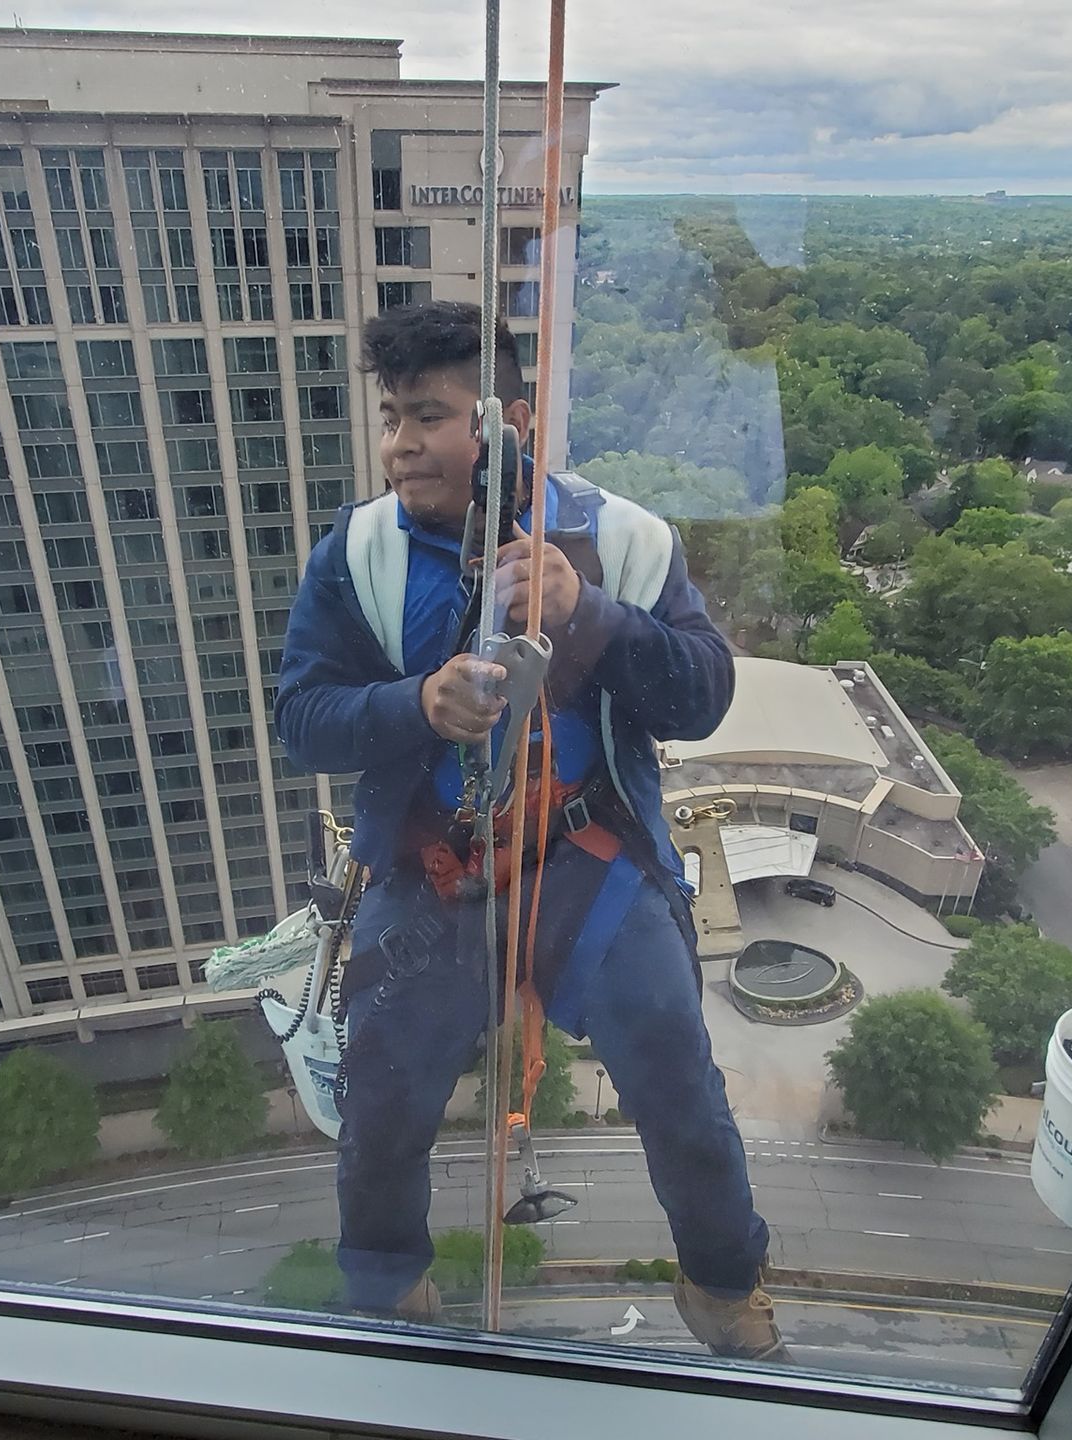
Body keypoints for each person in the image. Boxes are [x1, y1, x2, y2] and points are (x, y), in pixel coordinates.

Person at [275, 300, 782, 1360]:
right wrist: (414, 704)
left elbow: (700, 698)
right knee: (383, 1095)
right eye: (390, 416)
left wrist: (589, 613)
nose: (399, 444)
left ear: (499, 425)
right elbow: (302, 721)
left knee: (676, 1073)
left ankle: (723, 1284)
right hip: (434, 871)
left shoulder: (623, 543)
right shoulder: (360, 554)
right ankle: (384, 1285)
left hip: (586, 861)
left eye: (427, 416)